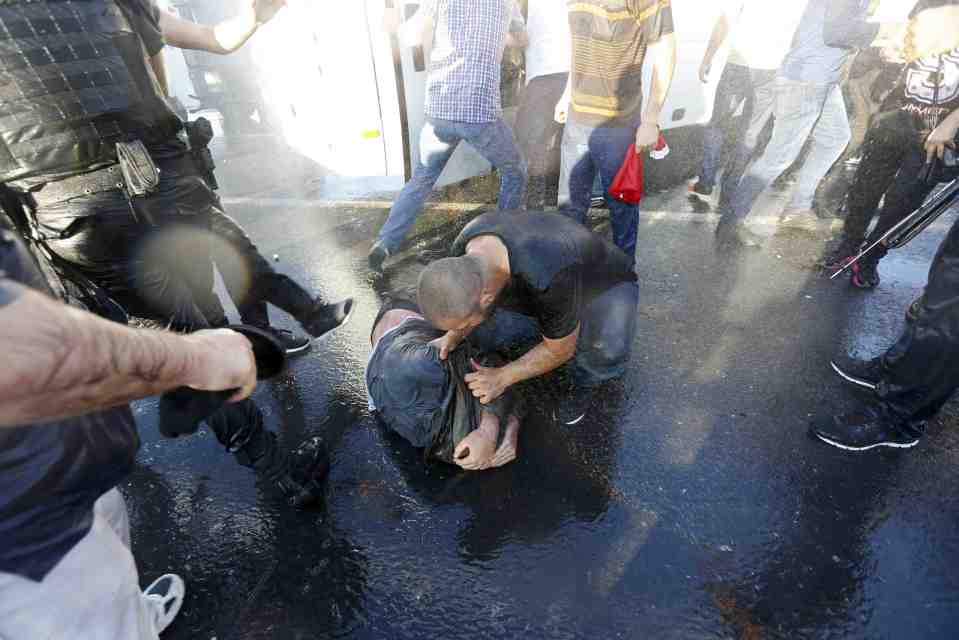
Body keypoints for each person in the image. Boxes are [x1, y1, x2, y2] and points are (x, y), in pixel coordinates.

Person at [0, 0, 328, 505]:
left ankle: (274, 466)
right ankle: (261, 375)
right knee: (216, 288)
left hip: (79, 212)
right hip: (164, 181)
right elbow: (180, 73)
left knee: (180, 335)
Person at [0, 226, 256, 638]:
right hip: (26, 540)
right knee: (90, 613)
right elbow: (18, 352)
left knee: (111, 538)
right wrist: (195, 357)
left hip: (52, 468)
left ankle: (134, 615)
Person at [148, 1, 355, 354]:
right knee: (207, 276)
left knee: (234, 256)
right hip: (144, 177)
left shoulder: (127, 9)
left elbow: (212, 37)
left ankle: (261, 338)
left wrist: (252, 18)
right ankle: (274, 333)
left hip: (174, 164)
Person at [418, 210, 640, 425]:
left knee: (606, 348)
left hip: (607, 285)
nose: (461, 329)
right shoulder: (465, 248)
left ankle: (586, 381)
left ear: (486, 297)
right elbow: (463, 299)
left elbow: (560, 350)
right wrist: (452, 336)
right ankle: (555, 324)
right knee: (490, 332)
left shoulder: (549, 275)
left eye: (463, 324)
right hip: (544, 276)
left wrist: (501, 377)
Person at [717, 0, 907, 247]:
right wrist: (889, 29)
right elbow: (838, 31)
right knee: (779, 156)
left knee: (835, 138)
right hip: (806, 80)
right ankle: (731, 222)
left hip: (823, 79)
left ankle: (797, 210)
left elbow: (840, 31)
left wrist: (879, 43)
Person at [368, 0, 528, 274]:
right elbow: (522, 38)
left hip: (440, 107)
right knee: (515, 171)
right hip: (479, 111)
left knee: (422, 178)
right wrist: (498, 38)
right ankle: (500, 240)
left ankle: (385, 243)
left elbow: (411, 35)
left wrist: (395, 25)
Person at [825, 0, 959, 289]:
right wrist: (892, 49)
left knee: (903, 203)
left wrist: (951, 123)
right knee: (865, 190)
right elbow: (897, 41)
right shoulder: (926, 9)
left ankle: (870, 259)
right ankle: (848, 248)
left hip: (935, 135)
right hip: (892, 119)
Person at [554, 0, 676, 264]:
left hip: (618, 125)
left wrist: (651, 118)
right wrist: (566, 94)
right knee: (569, 207)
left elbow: (665, 49)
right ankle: (566, 274)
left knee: (622, 208)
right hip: (577, 118)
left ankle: (623, 275)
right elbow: (578, 42)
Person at [367, 299, 523, 470]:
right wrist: (501, 427)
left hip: (403, 337)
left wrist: (494, 428)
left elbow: (496, 375)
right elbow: (497, 376)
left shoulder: (428, 363)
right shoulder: (424, 364)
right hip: (402, 340)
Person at [689, 0, 809, 211]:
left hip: (739, 66)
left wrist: (708, 56)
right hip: (773, 70)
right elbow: (802, 35)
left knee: (717, 125)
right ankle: (728, 192)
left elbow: (724, 21)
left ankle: (706, 182)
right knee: (750, 133)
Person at [513, 0, 571, 209]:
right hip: (568, 69)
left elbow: (520, 35)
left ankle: (533, 210)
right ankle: (567, 206)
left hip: (546, 71)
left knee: (530, 145)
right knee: (565, 142)